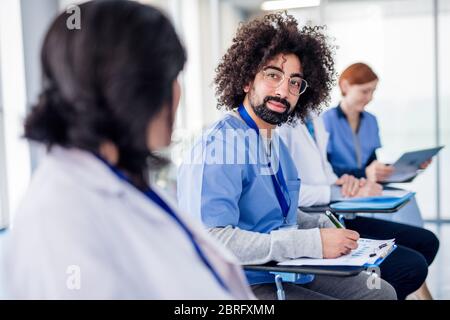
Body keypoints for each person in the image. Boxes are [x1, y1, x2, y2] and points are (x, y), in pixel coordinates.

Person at [3, 0, 254, 299]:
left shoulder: (121, 176)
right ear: (129, 89)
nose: (177, 93)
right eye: (171, 78)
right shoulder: (61, 219)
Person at [177, 13, 397, 300]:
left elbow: (278, 213)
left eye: (295, 82)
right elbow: (212, 240)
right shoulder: (220, 144)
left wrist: (321, 225)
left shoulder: (272, 140)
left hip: (280, 267)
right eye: (272, 75)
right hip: (239, 284)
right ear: (246, 81)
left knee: (380, 293)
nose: (284, 91)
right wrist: (310, 243)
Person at [278, 113, 440, 300]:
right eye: (364, 91)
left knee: (426, 241)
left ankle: (384, 290)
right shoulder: (283, 125)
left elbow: (327, 174)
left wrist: (348, 184)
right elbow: (289, 194)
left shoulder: (315, 118)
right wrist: (340, 189)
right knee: (410, 267)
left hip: (337, 210)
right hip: (317, 215)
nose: (368, 96)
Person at [322, 62, 431, 228]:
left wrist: (410, 168)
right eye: (365, 91)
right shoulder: (325, 122)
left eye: (373, 91)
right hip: (343, 191)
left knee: (407, 199)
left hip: (367, 187)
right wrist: (366, 173)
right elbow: (324, 170)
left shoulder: (371, 121)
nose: (370, 97)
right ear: (345, 86)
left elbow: (372, 163)